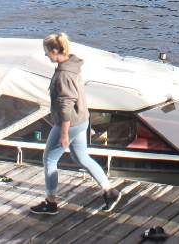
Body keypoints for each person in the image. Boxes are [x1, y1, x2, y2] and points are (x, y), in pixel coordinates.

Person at [30, 33, 121, 214]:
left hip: (69, 123)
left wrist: (64, 133)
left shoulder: (64, 74)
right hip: (81, 120)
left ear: (55, 51)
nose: (46, 55)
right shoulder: (72, 65)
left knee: (49, 159)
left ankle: (51, 202)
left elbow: (66, 105)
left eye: (47, 52)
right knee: (81, 157)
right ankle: (109, 191)